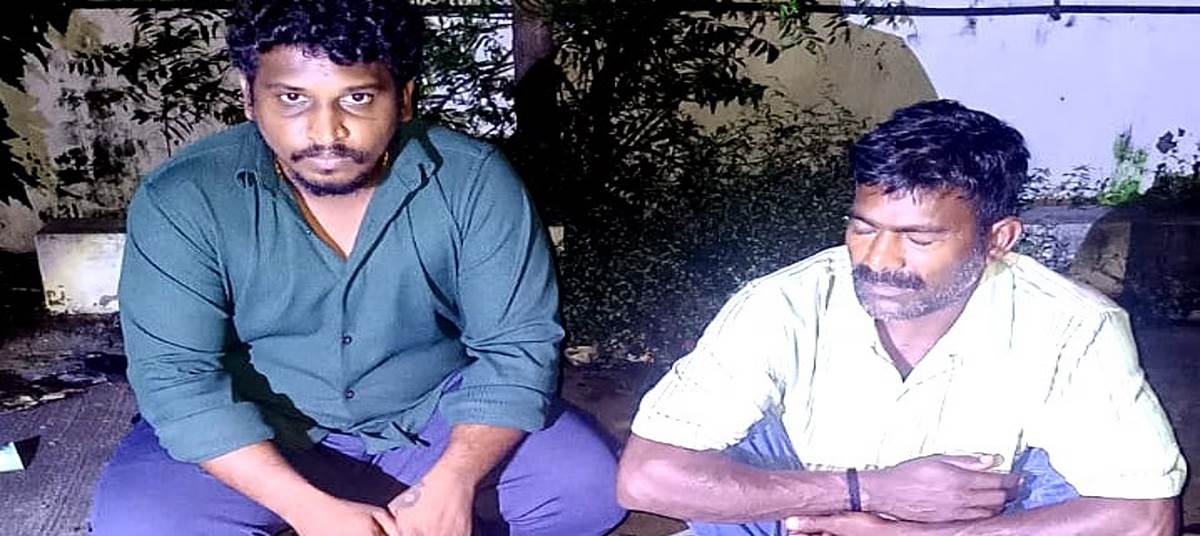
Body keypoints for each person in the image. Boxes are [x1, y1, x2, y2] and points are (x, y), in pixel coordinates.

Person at [88, 1, 626, 534]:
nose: (327, 132)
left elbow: (518, 346)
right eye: (293, 98)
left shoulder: (473, 179)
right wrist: (308, 509)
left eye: (358, 98)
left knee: (587, 489)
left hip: (431, 417)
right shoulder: (185, 197)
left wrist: (454, 482)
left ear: (404, 99)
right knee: (141, 525)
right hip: (260, 427)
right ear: (249, 98)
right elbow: (176, 379)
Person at [615, 100, 1185, 535]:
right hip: (808, 514)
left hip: (986, 524)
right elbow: (644, 478)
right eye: (864, 227)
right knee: (724, 461)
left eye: (920, 237)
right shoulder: (783, 303)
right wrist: (864, 492)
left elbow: (1145, 517)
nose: (879, 260)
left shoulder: (1074, 327)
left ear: (999, 239)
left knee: (1066, 485)